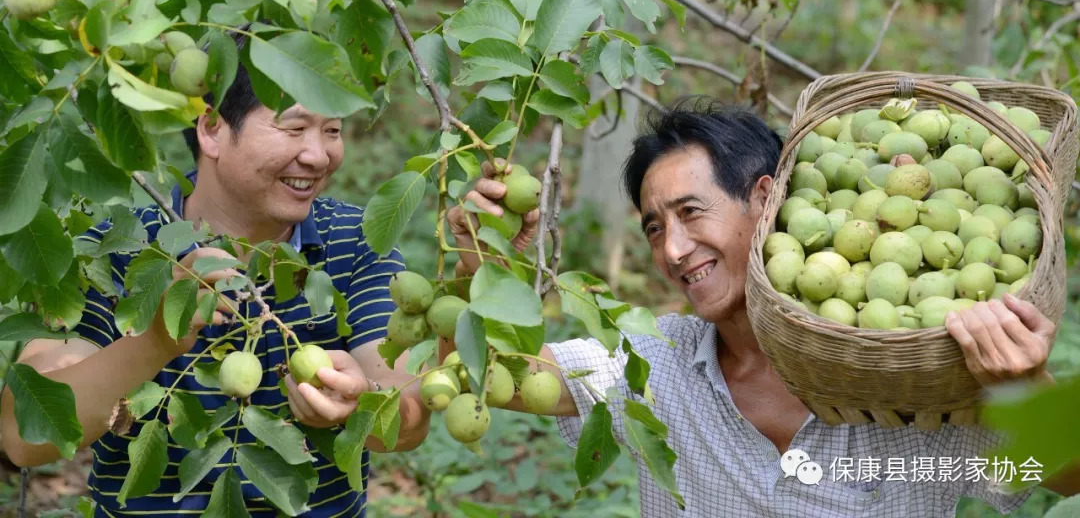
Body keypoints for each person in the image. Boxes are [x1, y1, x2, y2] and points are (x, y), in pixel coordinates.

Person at [448, 98, 1080, 517]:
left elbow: (1065, 474)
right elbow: (484, 378)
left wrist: (1027, 387)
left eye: (692, 214)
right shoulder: (654, 364)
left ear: (765, 198)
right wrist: (476, 263)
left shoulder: (911, 377)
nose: (673, 249)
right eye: (652, 228)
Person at [1, 52, 436, 516]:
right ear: (211, 129)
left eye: (332, 130)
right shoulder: (115, 252)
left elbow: (408, 421)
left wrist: (359, 403)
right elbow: (26, 438)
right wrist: (155, 341)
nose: (318, 154)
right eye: (293, 128)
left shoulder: (356, 241)